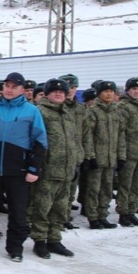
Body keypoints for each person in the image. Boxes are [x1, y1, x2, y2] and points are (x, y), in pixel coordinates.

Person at [0, 72, 47, 262]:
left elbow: (40, 141)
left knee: (18, 211)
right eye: (7, 85)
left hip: (18, 171)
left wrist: (34, 168)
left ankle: (15, 247)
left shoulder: (31, 111)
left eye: (14, 86)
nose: (9, 89)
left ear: (22, 90)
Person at [31, 79, 80, 259]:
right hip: (48, 170)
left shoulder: (68, 113)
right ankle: (40, 240)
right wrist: (36, 167)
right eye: (54, 91)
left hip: (66, 170)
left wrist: (75, 163)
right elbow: (34, 141)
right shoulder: (40, 112)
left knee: (60, 208)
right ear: (47, 93)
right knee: (42, 208)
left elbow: (74, 140)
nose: (58, 94)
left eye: (61, 92)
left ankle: (54, 239)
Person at [82, 81, 125, 230]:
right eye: (105, 91)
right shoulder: (92, 111)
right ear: (99, 93)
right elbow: (87, 136)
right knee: (94, 189)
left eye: (111, 91)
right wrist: (90, 156)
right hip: (97, 159)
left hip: (110, 158)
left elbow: (121, 135)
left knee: (107, 189)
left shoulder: (117, 112)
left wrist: (121, 156)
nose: (109, 94)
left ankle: (102, 215)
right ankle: (93, 217)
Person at [115, 77, 138, 227]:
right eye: (133, 89)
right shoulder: (123, 107)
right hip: (129, 153)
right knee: (125, 185)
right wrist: (121, 155)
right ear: (128, 90)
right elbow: (120, 132)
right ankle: (123, 213)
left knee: (136, 185)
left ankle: (132, 211)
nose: (136, 91)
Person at [58, 73, 85, 229]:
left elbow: (85, 134)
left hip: (75, 155)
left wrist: (85, 155)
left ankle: (65, 216)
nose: (70, 90)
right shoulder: (55, 107)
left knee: (71, 189)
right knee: (57, 192)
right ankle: (57, 219)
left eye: (73, 87)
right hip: (58, 157)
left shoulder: (80, 110)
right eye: (68, 87)